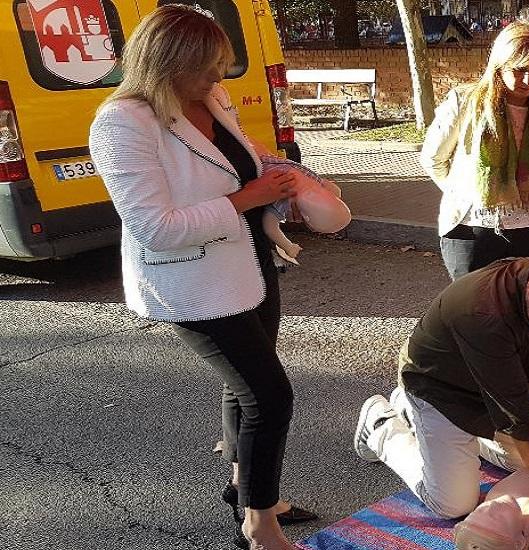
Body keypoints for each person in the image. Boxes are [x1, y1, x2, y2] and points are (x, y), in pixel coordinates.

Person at [88, 6, 315, 550]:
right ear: (167, 63)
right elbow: (155, 228)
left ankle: (244, 489)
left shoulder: (209, 98)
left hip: (250, 262)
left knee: (244, 388)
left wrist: (288, 173)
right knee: (269, 395)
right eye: (209, 67)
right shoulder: (122, 122)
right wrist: (246, 199)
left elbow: (244, 154)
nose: (220, 77)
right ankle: (261, 524)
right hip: (188, 281)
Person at [353, 256, 529, 519]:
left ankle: (430, 424)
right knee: (453, 505)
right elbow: (513, 409)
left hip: (507, 381)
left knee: (523, 465)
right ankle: (382, 423)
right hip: (441, 389)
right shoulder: (481, 310)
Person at [420, 20, 529, 281]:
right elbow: (434, 159)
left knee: (528, 312)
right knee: (474, 313)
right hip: (472, 231)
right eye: (520, 69)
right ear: (500, 65)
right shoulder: (465, 102)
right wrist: (467, 192)